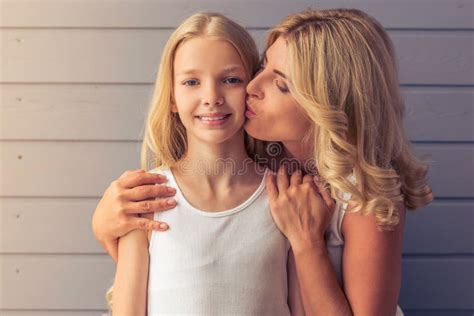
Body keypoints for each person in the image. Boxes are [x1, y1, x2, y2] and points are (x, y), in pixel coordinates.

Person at [93, 8, 433, 316]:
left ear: (323, 105)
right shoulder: (276, 168)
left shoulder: (359, 199)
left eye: (280, 84)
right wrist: (103, 223)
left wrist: (307, 242)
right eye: (262, 67)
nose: (253, 87)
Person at [104, 11, 306, 315]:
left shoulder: (285, 196)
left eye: (231, 80)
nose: (212, 96)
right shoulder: (147, 198)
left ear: (252, 89)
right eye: (191, 82)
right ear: (172, 97)